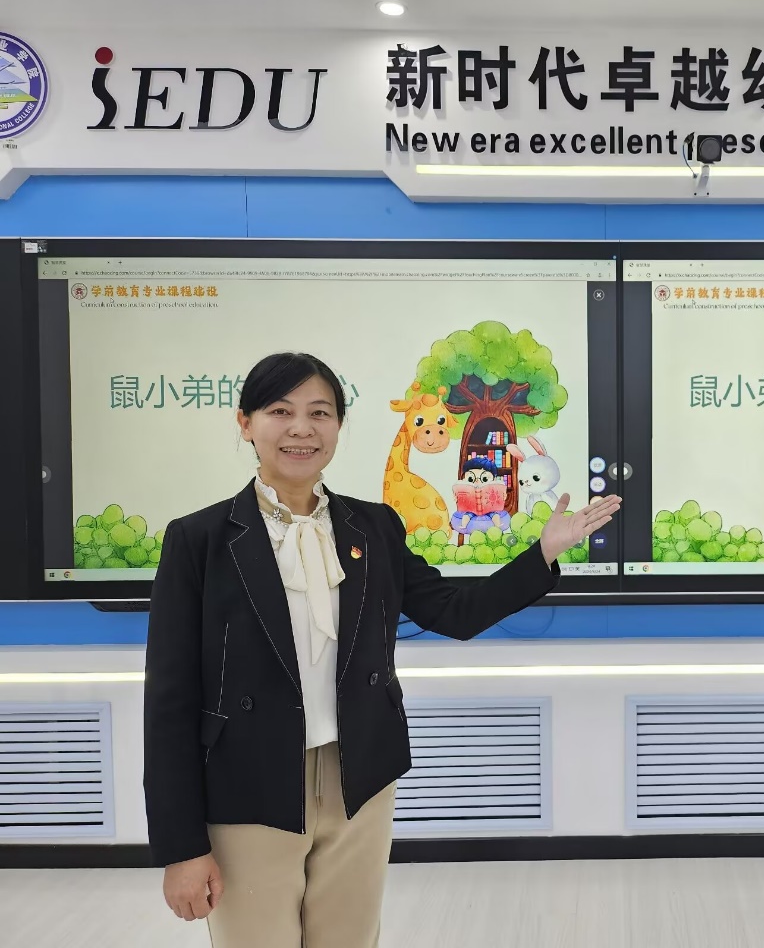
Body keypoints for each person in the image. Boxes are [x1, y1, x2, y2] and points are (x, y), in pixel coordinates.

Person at [142, 351, 620, 947]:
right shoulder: (199, 539)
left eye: (320, 413)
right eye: (280, 412)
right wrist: (182, 848)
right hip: (247, 786)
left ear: (339, 426)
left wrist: (542, 553)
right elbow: (169, 701)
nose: (301, 429)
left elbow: (455, 612)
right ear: (246, 423)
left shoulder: (373, 528)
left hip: (360, 780)